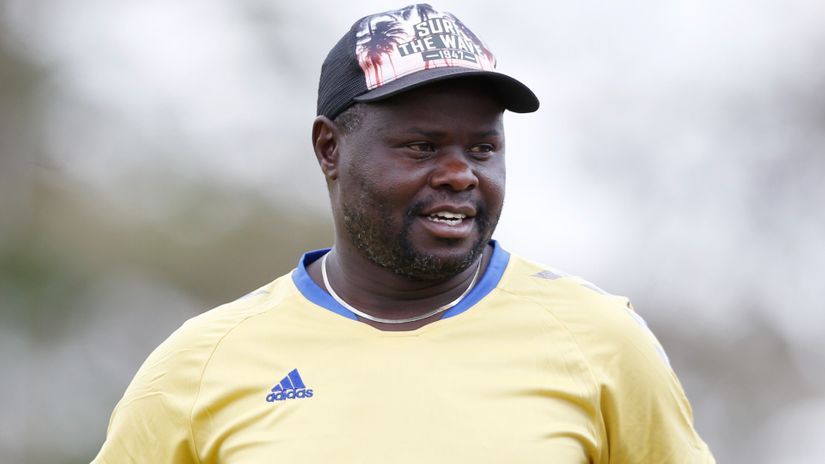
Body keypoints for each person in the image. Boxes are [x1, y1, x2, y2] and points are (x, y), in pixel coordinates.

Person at [94, 3, 715, 463]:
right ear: (330, 149)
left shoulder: (600, 342)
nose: (460, 175)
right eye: (421, 146)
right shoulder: (202, 364)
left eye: (483, 148)